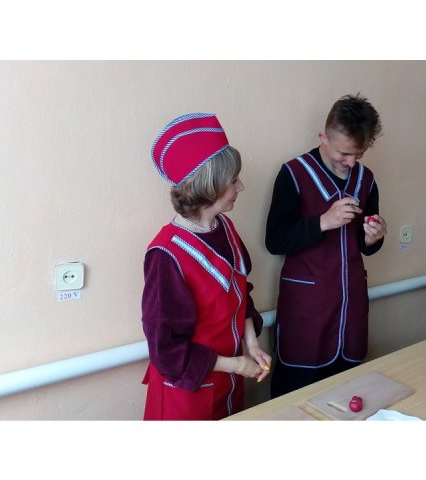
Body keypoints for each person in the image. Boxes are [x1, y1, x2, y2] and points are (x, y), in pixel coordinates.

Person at [141, 112, 271, 420]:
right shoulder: (166, 255)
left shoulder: (225, 228)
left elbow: (241, 293)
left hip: (228, 385)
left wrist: (251, 344)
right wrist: (236, 364)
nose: (241, 186)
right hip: (186, 397)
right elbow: (166, 350)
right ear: (209, 187)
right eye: (233, 180)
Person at [265, 94, 387, 398]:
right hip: (306, 310)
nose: (352, 162)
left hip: (350, 309)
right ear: (324, 137)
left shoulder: (367, 180)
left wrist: (373, 238)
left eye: (359, 153)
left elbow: (365, 244)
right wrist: (322, 222)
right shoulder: (294, 174)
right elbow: (275, 240)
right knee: (296, 398)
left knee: (346, 394)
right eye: (344, 153)